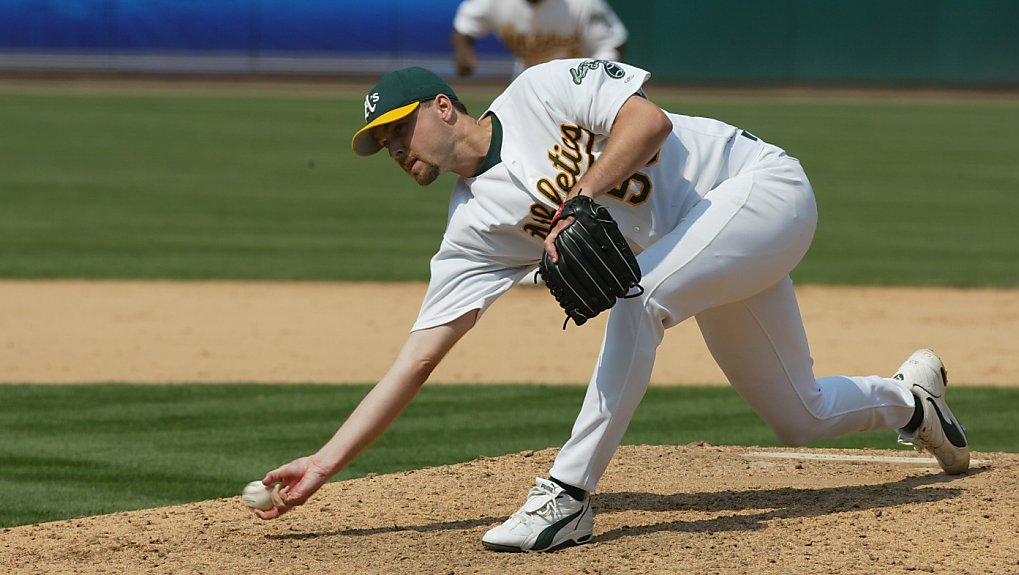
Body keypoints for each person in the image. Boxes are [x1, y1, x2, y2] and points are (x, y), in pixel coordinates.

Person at [252, 59, 971, 553]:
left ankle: (567, 495)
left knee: (640, 293)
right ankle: (914, 403)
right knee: (799, 412)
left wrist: (578, 198)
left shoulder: (536, 91)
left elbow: (648, 122)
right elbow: (421, 354)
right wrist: (326, 459)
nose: (394, 148)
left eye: (400, 127)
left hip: (761, 189)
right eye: (382, 144)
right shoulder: (472, 230)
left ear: (444, 106)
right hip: (707, 250)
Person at [451, 0, 627, 77]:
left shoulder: (580, 3)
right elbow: (464, 26)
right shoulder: (494, 2)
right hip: (530, 77)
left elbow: (613, 42)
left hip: (579, 77)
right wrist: (464, 52)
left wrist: (596, 76)